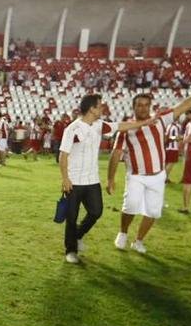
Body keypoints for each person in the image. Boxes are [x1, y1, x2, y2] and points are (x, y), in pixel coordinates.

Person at [105, 82, 191, 254]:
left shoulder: (160, 120)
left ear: (150, 106)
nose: (143, 108)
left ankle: (138, 241)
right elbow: (116, 153)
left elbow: (184, 105)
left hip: (157, 175)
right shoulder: (127, 128)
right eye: (139, 105)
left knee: (153, 211)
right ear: (133, 107)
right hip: (136, 175)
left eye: (146, 105)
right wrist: (110, 178)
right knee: (130, 206)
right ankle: (123, 233)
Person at [58, 94, 154, 263]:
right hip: (74, 181)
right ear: (92, 109)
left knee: (96, 212)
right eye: (100, 105)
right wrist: (65, 179)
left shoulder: (99, 125)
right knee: (71, 218)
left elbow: (122, 126)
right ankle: (70, 251)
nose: (102, 108)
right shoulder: (72, 129)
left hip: (92, 180)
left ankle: (77, 236)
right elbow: (63, 156)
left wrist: (144, 123)